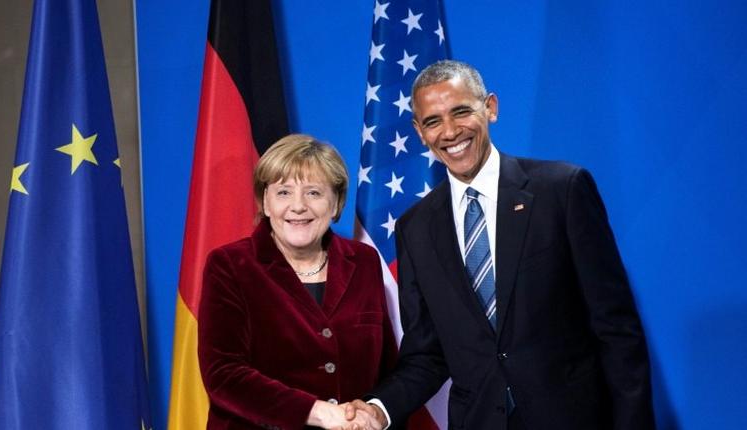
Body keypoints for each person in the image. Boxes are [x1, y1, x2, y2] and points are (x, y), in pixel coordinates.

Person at [345, 60, 655, 429]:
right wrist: (378, 409)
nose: (450, 132)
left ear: (490, 107)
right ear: (418, 131)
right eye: (433, 121)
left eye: (461, 112)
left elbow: (616, 328)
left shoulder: (562, 190)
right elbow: (427, 353)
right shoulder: (415, 228)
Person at [198, 134, 394, 429]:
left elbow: (386, 364)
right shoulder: (230, 266)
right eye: (284, 192)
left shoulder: (364, 261)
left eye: (314, 193)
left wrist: (372, 412)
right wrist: (320, 412)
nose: (298, 206)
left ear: (336, 202)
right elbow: (223, 374)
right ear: (265, 201)